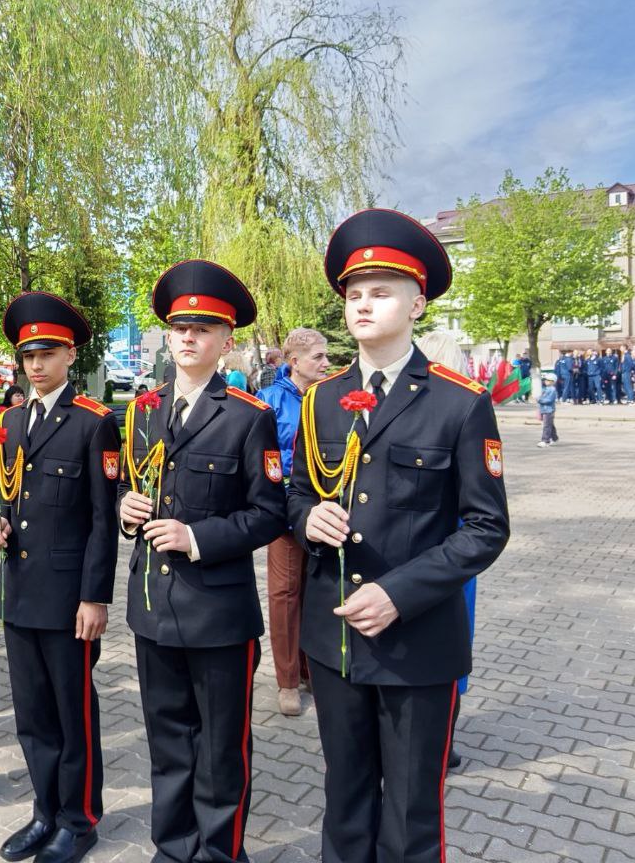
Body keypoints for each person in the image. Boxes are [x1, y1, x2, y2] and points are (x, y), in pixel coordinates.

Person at [287, 208, 510, 863]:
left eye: (380, 292)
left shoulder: (459, 402)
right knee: (345, 798)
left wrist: (399, 593)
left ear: (417, 304)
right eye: (353, 293)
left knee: (411, 813)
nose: (362, 304)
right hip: (334, 637)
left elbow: (486, 528)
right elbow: (296, 492)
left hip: (417, 644)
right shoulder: (320, 399)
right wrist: (306, 520)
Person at [118, 260, 285, 863]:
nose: (188, 337)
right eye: (179, 327)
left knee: (219, 749)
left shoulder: (247, 415)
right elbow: (132, 485)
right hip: (152, 608)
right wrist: (125, 508)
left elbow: (269, 514)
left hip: (217, 613)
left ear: (226, 340)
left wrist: (196, 537)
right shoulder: (142, 411)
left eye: (203, 329)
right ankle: (173, 847)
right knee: (167, 743)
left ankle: (220, 852)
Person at [0, 292, 120, 863]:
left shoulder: (94, 422)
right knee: (33, 714)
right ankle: (44, 812)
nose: (36, 365)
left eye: (47, 353)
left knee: (72, 712)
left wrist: (94, 597)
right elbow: (8, 490)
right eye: (28, 356)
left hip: (67, 598)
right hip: (18, 590)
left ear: (70, 355)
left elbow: (103, 519)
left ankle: (79, 820)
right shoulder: (10, 420)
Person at [256, 327, 330, 717]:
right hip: (285, 511)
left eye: (326, 355)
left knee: (317, 592)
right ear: (294, 362)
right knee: (285, 594)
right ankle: (287, 681)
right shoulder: (268, 399)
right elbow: (259, 455)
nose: (326, 363)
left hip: (325, 511)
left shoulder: (331, 396)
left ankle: (311, 669)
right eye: (318, 356)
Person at [537, 372, 558, 446]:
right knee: (550, 424)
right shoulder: (545, 389)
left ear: (553, 382)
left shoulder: (552, 390)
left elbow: (549, 400)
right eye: (545, 380)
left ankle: (545, 440)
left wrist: (540, 400)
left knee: (546, 425)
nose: (546, 381)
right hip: (544, 409)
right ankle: (554, 438)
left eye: (548, 380)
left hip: (549, 410)